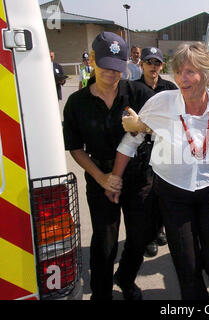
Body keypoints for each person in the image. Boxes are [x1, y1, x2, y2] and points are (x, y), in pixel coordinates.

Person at [113, 42, 209, 300]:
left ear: (207, 75)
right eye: (178, 72)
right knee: (187, 266)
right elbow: (131, 139)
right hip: (173, 193)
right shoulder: (162, 103)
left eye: (189, 72)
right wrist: (114, 178)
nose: (181, 79)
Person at [63, 31, 156, 300]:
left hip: (138, 176)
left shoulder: (138, 93)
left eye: (117, 68)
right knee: (104, 244)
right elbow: (76, 148)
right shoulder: (77, 103)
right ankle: (101, 293)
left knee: (141, 237)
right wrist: (102, 179)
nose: (111, 74)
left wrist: (144, 126)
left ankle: (126, 278)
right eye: (105, 66)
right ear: (92, 60)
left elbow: (165, 123)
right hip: (99, 176)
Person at [135, 46, 178, 258]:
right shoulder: (132, 88)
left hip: (164, 148)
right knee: (146, 196)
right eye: (149, 62)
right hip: (141, 150)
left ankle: (159, 230)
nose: (153, 66)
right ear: (141, 64)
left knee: (163, 192)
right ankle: (148, 236)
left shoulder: (170, 88)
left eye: (157, 63)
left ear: (162, 65)